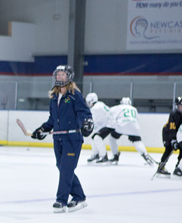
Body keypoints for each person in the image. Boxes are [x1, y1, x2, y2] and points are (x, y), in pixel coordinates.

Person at [31, 65, 93, 213]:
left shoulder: (74, 95)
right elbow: (52, 120)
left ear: (69, 77)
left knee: (66, 169)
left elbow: (85, 112)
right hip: (58, 139)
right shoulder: (54, 97)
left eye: (63, 75)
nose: (59, 77)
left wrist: (87, 123)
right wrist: (42, 130)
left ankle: (61, 200)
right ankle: (79, 196)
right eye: (57, 75)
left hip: (72, 139)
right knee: (63, 168)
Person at [103, 98, 155, 166]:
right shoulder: (134, 109)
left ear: (121, 102)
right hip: (133, 126)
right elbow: (136, 119)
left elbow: (110, 112)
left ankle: (115, 156)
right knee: (137, 142)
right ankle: (146, 156)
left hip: (121, 126)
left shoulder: (118, 107)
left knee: (112, 138)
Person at [156, 96, 182, 177]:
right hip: (168, 133)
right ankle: (161, 167)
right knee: (169, 149)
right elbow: (172, 128)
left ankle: (178, 168)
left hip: (178, 133)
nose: (180, 108)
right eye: (179, 106)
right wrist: (173, 140)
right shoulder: (173, 114)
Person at [84, 92, 112, 163]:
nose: (88, 104)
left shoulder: (95, 108)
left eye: (89, 102)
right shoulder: (100, 104)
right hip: (108, 124)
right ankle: (96, 154)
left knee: (97, 137)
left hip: (109, 125)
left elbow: (92, 121)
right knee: (94, 137)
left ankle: (104, 156)